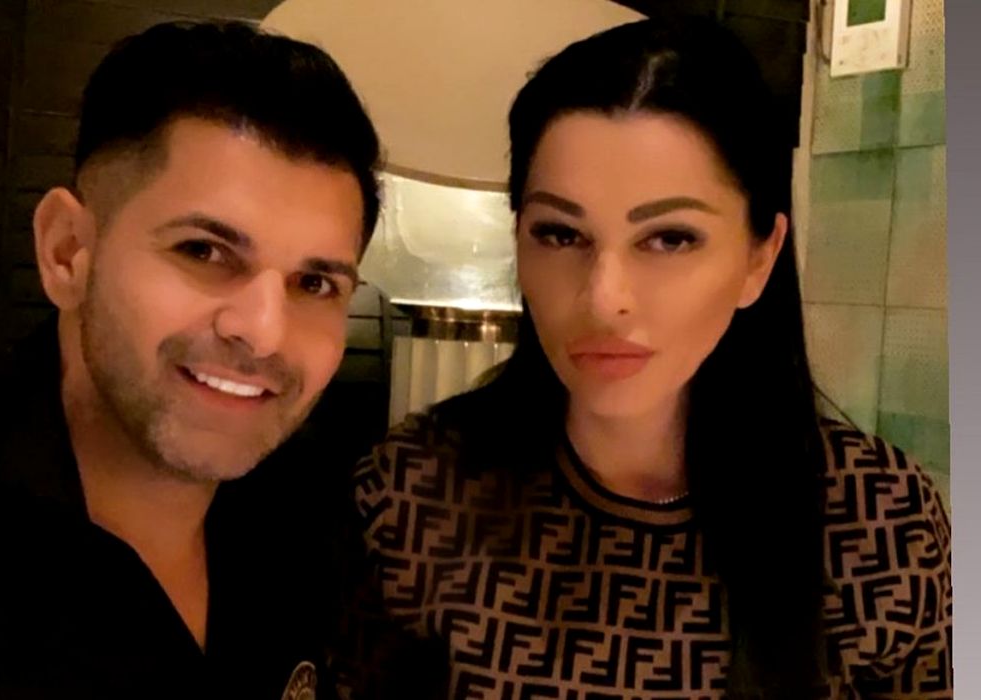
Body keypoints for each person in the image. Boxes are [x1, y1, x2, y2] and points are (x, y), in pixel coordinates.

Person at [332, 17, 952, 700]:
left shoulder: (879, 521)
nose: (604, 300)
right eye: (559, 234)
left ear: (759, 258)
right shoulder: (415, 491)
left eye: (669, 239)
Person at [0, 20, 380, 700]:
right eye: (203, 251)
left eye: (314, 283)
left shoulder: (314, 525)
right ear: (67, 252)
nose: (263, 332)